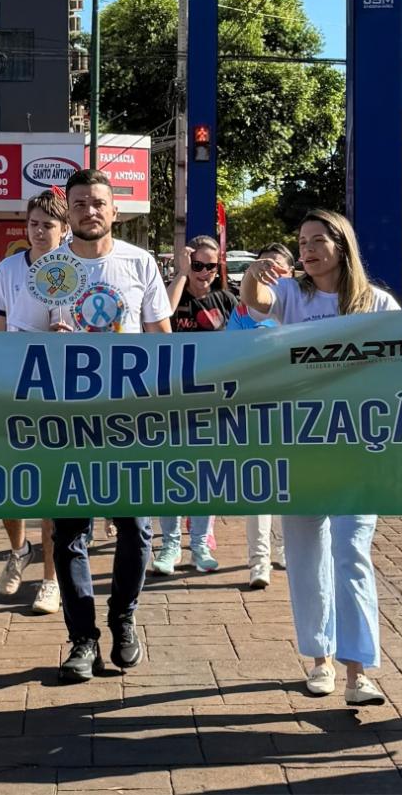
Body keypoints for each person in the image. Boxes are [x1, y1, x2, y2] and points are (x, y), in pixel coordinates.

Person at [240, 208, 402, 707]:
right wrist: (252, 276)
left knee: (351, 552)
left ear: (342, 245)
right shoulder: (292, 294)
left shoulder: (375, 301)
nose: (307, 250)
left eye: (317, 241)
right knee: (307, 556)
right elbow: (256, 302)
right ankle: (320, 661)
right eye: (302, 242)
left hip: (357, 450)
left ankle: (359, 673)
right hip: (298, 448)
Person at [31, 169, 173, 684]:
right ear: (67, 212)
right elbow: (21, 345)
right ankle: (82, 638)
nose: (90, 210)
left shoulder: (140, 263)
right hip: (67, 424)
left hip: (130, 422)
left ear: (115, 211)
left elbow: (164, 339)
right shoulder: (47, 270)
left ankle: (124, 618)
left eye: (99, 203)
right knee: (69, 533)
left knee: (135, 527)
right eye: (80, 203)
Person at [0, 191, 68, 614]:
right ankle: (18, 550)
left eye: (47, 225)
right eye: (33, 224)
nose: (38, 231)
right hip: (12, 388)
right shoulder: (6, 270)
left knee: (50, 489)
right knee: (8, 483)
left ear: (64, 230)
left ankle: (51, 579)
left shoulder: (74, 271)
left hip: (55, 391)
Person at [151, 234, 239, 576]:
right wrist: (182, 275)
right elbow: (163, 315)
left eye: (209, 266)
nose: (204, 272)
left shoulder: (227, 300)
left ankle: (200, 542)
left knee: (205, 474)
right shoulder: (174, 294)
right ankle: (170, 543)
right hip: (172, 398)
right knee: (171, 473)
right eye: (197, 265)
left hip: (212, 401)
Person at [240, 243, 291, 587]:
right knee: (259, 487)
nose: (273, 274)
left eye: (281, 269)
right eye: (266, 267)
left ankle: (286, 550)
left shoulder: (301, 304)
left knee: (292, 483)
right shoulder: (245, 311)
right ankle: (259, 561)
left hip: (295, 407)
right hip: (255, 405)